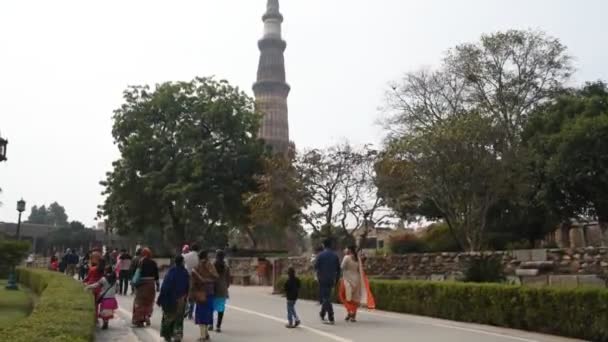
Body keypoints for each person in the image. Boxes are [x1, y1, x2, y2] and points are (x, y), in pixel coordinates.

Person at [157, 255, 190, 342]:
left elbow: (165, 287)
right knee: (179, 318)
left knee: (168, 317)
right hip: (181, 299)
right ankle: (177, 335)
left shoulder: (170, 272)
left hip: (169, 299)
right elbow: (187, 286)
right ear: (182, 262)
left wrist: (160, 298)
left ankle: (167, 335)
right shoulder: (185, 272)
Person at [191, 250, 218, 341]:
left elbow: (193, 280)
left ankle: (203, 335)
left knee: (201, 314)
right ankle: (206, 334)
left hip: (200, 292)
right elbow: (216, 276)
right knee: (207, 313)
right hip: (210, 292)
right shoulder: (210, 265)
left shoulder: (197, 267)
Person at [314, 239, 341, 325]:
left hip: (322, 279)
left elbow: (315, 267)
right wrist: (336, 280)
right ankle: (322, 313)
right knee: (327, 296)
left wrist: (317, 276)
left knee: (326, 298)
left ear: (323, 245)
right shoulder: (335, 255)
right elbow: (338, 269)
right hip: (331, 279)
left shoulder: (320, 255)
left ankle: (331, 317)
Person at [132, 247, 159, 327]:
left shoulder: (140, 261)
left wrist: (134, 283)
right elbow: (156, 275)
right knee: (149, 302)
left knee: (140, 302)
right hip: (151, 284)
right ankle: (147, 316)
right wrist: (157, 285)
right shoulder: (153, 262)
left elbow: (136, 273)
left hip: (142, 284)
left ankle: (139, 320)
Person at [86, 265, 119, 329]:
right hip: (112, 299)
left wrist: (88, 287)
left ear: (105, 271)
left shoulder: (103, 279)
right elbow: (117, 289)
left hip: (105, 298)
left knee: (104, 311)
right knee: (108, 311)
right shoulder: (115, 279)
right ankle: (106, 322)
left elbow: (96, 285)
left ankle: (105, 322)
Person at [212, 250, 231, 333]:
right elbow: (228, 280)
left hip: (213, 288)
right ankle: (218, 326)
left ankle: (210, 324)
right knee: (221, 308)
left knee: (211, 307)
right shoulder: (226, 266)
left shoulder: (212, 265)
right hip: (222, 288)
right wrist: (226, 286)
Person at [84, 250, 104, 321]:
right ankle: (96, 318)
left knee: (91, 303)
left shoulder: (92, 269)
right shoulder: (103, 270)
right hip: (99, 288)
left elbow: (87, 278)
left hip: (92, 287)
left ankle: (92, 318)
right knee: (96, 304)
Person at [183, 243, 200, 320]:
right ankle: (190, 313)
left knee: (185, 294)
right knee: (193, 296)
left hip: (186, 276)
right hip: (196, 277)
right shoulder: (199, 257)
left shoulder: (186, 255)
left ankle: (185, 309)